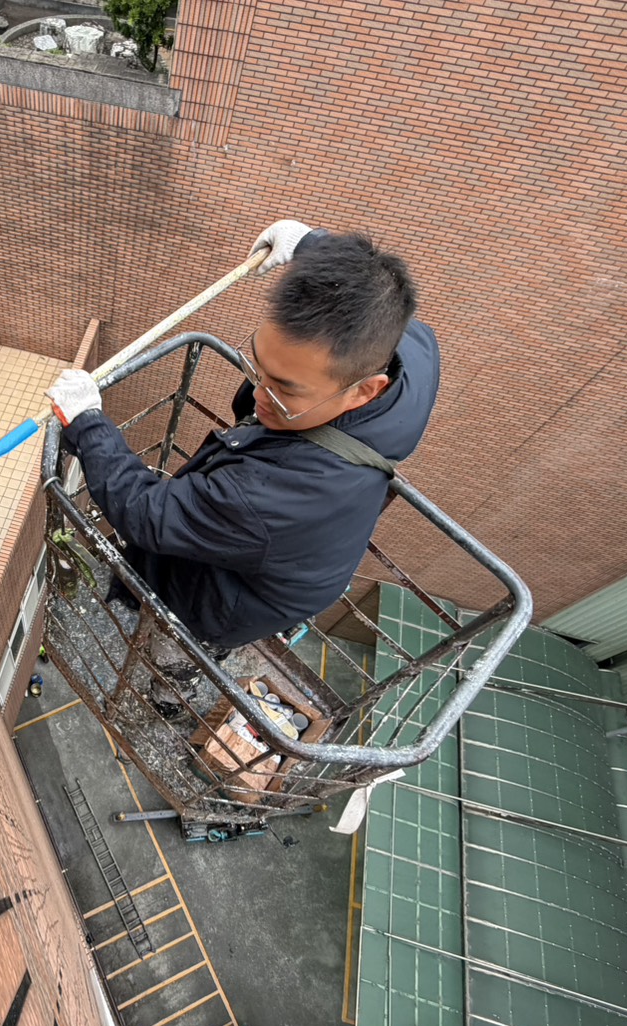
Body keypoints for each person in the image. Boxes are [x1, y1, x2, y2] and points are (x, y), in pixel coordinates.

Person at [46, 220, 440, 705]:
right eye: (258, 367)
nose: (258, 395)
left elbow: (148, 514)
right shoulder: (407, 356)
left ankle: (170, 693)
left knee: (181, 639)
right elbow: (383, 305)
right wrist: (309, 244)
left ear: (364, 390)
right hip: (293, 564)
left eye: (286, 390)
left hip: (233, 603)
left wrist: (88, 423)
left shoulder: (274, 493)